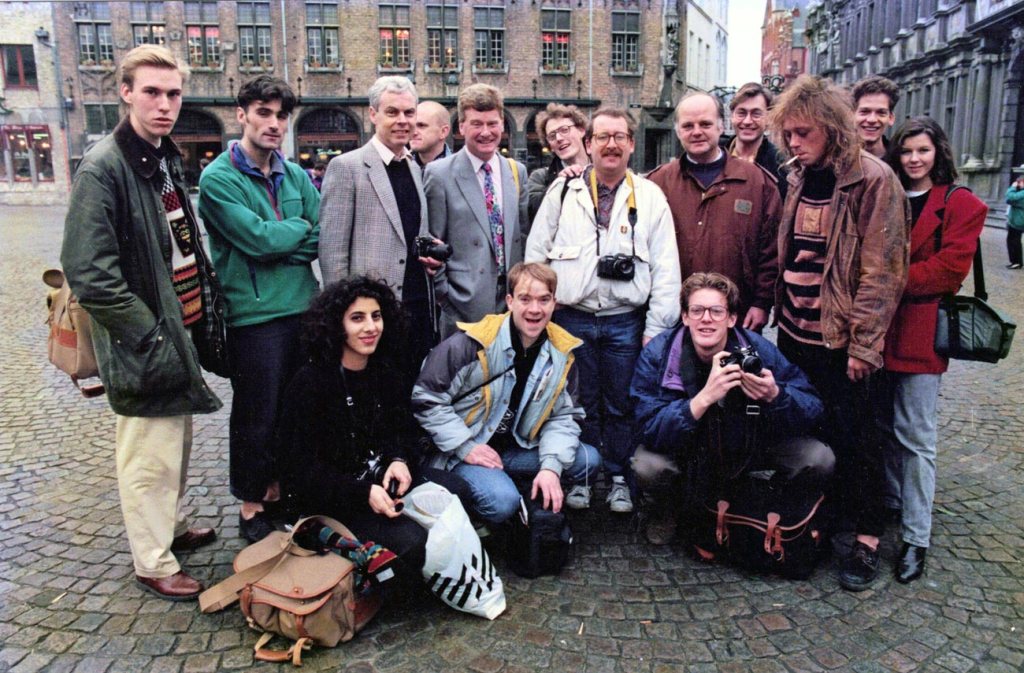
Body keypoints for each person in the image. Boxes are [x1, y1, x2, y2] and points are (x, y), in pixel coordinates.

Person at [61, 45, 223, 601]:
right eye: (151, 92)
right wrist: (148, 333)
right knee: (147, 455)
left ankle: (169, 532)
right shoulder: (105, 166)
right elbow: (88, 273)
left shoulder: (162, 156)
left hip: (176, 332)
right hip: (147, 340)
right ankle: (152, 561)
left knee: (172, 445)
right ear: (125, 92)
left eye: (174, 93)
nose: (165, 104)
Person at [768, 75, 909, 591]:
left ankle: (868, 539)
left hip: (844, 340)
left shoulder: (873, 180)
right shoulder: (798, 176)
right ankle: (823, 525)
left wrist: (865, 344)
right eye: (787, 134)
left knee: (860, 440)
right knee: (814, 433)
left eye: (802, 133)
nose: (793, 143)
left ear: (830, 127)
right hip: (797, 333)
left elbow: (883, 271)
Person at [526, 108, 681, 514]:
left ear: (631, 143)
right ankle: (580, 476)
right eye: (602, 137)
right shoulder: (564, 192)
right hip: (571, 318)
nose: (610, 145)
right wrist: (539, 315)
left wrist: (656, 330)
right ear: (589, 144)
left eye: (619, 137)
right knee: (577, 403)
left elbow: (667, 268)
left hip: (624, 322)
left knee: (621, 404)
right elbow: (536, 255)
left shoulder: (649, 196)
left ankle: (618, 477)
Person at [278, 277, 470, 578]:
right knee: (411, 545)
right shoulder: (310, 383)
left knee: (459, 491)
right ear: (336, 325)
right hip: (335, 501)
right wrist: (361, 492)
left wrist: (398, 460)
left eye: (376, 316)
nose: (370, 327)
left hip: (382, 482)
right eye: (357, 318)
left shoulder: (385, 371)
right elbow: (300, 472)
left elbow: (404, 431)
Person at [198, 76, 321, 543]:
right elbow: (256, 239)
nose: (274, 123)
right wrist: (286, 237)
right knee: (257, 414)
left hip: (302, 309)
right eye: (264, 113)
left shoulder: (295, 175)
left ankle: (283, 493)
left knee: (296, 409)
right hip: (253, 317)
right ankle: (252, 504)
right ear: (242, 114)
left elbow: (319, 231)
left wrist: (277, 242)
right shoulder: (218, 178)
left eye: (281, 115)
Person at [631, 272, 834, 547]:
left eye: (716, 311)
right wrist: (702, 400)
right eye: (697, 310)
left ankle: (763, 507)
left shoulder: (756, 348)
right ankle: (666, 509)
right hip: (689, 448)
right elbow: (647, 427)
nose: (706, 319)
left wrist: (776, 395)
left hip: (747, 444)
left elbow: (813, 407)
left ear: (731, 319)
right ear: (685, 317)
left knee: (817, 457)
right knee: (647, 465)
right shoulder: (659, 353)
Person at [880, 117, 988, 583]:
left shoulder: (960, 204)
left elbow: (949, 270)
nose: (914, 159)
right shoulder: (887, 194)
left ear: (937, 151)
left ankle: (915, 537)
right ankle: (889, 504)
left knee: (916, 436)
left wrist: (886, 280)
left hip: (920, 333)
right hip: (876, 331)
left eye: (922, 150)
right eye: (906, 151)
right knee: (881, 426)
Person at [412, 262, 602, 525]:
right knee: (502, 503)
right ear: (510, 301)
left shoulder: (561, 352)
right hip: (463, 450)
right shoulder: (470, 344)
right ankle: (490, 499)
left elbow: (564, 417)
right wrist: (466, 446)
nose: (535, 309)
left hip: (516, 448)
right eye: (525, 299)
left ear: (554, 303)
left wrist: (549, 468)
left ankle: (519, 484)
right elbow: (426, 399)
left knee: (587, 460)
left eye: (544, 300)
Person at [319, 76, 441, 369]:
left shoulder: (413, 167)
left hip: (415, 309)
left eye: (409, 113)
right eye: (392, 112)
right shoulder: (347, 167)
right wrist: (348, 319)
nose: (402, 120)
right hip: (371, 318)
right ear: (373, 115)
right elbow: (332, 254)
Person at [648, 91, 781, 332]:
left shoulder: (756, 182)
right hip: (675, 318)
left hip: (737, 318)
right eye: (688, 125)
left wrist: (762, 303)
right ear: (678, 131)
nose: (696, 131)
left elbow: (772, 249)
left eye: (705, 124)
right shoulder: (658, 183)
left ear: (721, 126)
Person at [424, 83, 529, 336]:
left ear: (502, 124)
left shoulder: (517, 172)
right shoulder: (439, 174)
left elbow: (523, 235)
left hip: (511, 304)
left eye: (492, 123)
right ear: (461, 126)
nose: (486, 132)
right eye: (476, 124)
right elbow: (431, 242)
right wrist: (444, 295)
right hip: (463, 307)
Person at [720, 82, 789, 202]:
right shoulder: (716, 154)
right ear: (732, 116)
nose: (747, 121)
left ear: (768, 118)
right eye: (741, 113)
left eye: (756, 114)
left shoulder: (780, 165)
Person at [527, 103, 588, 223]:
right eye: (552, 136)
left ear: (581, 130)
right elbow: (533, 212)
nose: (559, 138)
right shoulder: (540, 178)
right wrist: (559, 185)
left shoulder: (603, 172)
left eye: (564, 130)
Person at [851, 75, 900, 159]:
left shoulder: (901, 162)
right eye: (865, 112)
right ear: (851, 115)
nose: (872, 119)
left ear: (891, 118)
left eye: (881, 112)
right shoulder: (834, 161)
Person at [411, 100, 452, 167]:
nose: (413, 132)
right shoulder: (400, 167)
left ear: (443, 131)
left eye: (421, 125)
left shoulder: (460, 171)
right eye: (412, 126)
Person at [1006, 170, 1024, 269]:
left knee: (1014, 241)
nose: (1018, 184)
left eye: (1020, 182)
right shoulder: (1020, 192)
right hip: (1015, 220)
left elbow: (1010, 197)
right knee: (1012, 240)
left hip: (1018, 221)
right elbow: (1008, 200)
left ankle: (1017, 262)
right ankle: (1015, 261)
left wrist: (1012, 187)